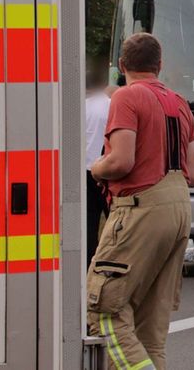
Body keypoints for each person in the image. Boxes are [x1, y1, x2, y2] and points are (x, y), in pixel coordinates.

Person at [87, 33, 194, 370]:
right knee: (150, 325)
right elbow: (193, 173)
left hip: (140, 207)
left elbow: (120, 161)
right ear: (160, 65)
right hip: (178, 207)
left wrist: (96, 167)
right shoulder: (180, 103)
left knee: (104, 310)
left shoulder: (127, 97)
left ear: (122, 67)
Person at [84, 65, 112, 267]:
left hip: (85, 171)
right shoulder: (111, 105)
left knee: (89, 225)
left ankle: (88, 267)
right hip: (108, 171)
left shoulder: (80, 108)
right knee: (115, 222)